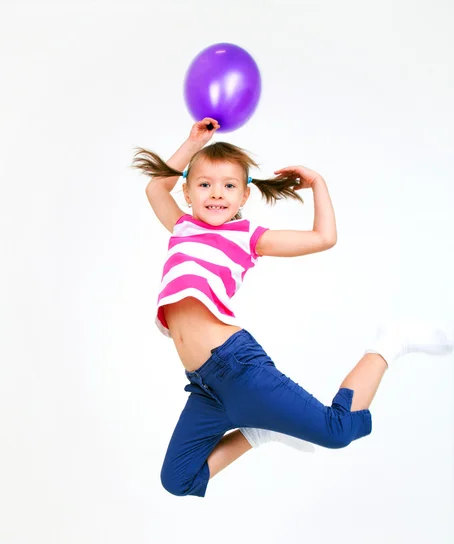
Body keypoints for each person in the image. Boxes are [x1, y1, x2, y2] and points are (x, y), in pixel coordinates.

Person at [132, 117, 453, 498]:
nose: (216, 194)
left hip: (237, 368)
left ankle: (389, 343)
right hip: (204, 386)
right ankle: (257, 432)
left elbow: (323, 237)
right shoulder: (183, 226)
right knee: (177, 480)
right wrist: (193, 142)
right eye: (204, 184)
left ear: (244, 196)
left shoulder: (247, 237)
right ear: (187, 191)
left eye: (229, 186)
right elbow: (156, 187)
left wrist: (318, 184)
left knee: (336, 432)